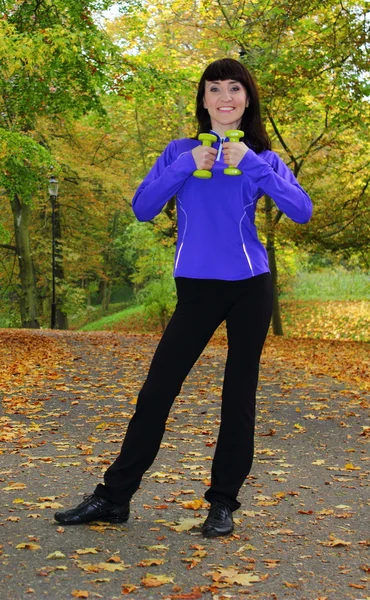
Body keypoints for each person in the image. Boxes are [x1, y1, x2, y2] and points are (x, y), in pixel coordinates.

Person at [54, 57, 312, 537]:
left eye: (234, 88)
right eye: (214, 89)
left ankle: (222, 504)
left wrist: (253, 165)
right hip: (195, 290)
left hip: (250, 287)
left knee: (238, 397)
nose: (225, 97)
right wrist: (185, 166)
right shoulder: (179, 151)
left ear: (247, 98)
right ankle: (113, 499)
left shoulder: (262, 158)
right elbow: (142, 208)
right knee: (156, 394)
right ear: (204, 100)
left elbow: (301, 211)